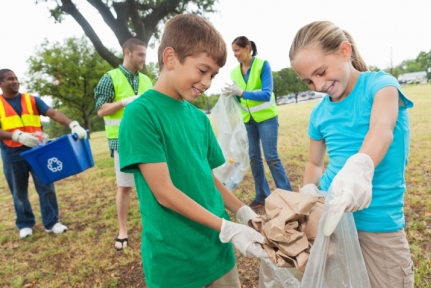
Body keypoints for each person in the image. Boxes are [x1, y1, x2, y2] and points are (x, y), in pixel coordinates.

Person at [118, 14, 267, 288]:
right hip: (175, 263)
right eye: (202, 70)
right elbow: (164, 193)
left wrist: (243, 212)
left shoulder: (199, 119)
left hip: (218, 254)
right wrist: (225, 227)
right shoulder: (141, 114)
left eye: (213, 75)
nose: (208, 82)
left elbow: (208, 180)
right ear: (171, 58)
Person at [290, 21, 414, 287]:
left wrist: (360, 168)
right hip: (331, 223)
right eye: (309, 80)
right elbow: (314, 162)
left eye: (321, 72)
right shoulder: (319, 113)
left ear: (345, 51)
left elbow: (382, 130)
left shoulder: (381, 86)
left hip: (378, 224)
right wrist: (309, 190)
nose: (319, 85)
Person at [0, 69, 87, 238]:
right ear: (0, 83)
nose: (15, 81)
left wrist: (73, 124)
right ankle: (25, 224)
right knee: (19, 191)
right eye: (10, 79)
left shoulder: (31, 99)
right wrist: (17, 135)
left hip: (37, 150)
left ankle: (52, 222)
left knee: (46, 186)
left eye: (16, 78)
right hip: (12, 153)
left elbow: (52, 113)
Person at [94, 38, 153, 251]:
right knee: (125, 187)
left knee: (151, 186)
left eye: (145, 55)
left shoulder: (147, 80)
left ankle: (153, 226)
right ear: (127, 52)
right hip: (122, 142)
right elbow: (101, 110)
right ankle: (123, 231)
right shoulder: (109, 78)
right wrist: (125, 101)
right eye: (140, 55)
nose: (144, 60)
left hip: (147, 140)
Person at [222, 36, 292, 209]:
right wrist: (232, 95)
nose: (235, 54)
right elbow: (240, 98)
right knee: (254, 158)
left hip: (267, 118)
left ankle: (287, 196)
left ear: (247, 48)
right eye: (233, 51)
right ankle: (262, 196)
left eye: (237, 50)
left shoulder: (262, 65)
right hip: (249, 121)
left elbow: (267, 93)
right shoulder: (234, 73)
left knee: (271, 157)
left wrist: (242, 92)